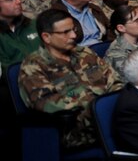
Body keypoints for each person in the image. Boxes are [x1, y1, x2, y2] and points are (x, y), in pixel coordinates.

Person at [18, 8, 121, 147]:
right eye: (66, 32)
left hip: (107, 115)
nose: (73, 35)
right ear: (46, 37)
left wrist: (113, 101)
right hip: (74, 129)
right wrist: (91, 103)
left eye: (73, 30)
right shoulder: (34, 65)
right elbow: (46, 104)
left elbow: (113, 80)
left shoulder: (84, 53)